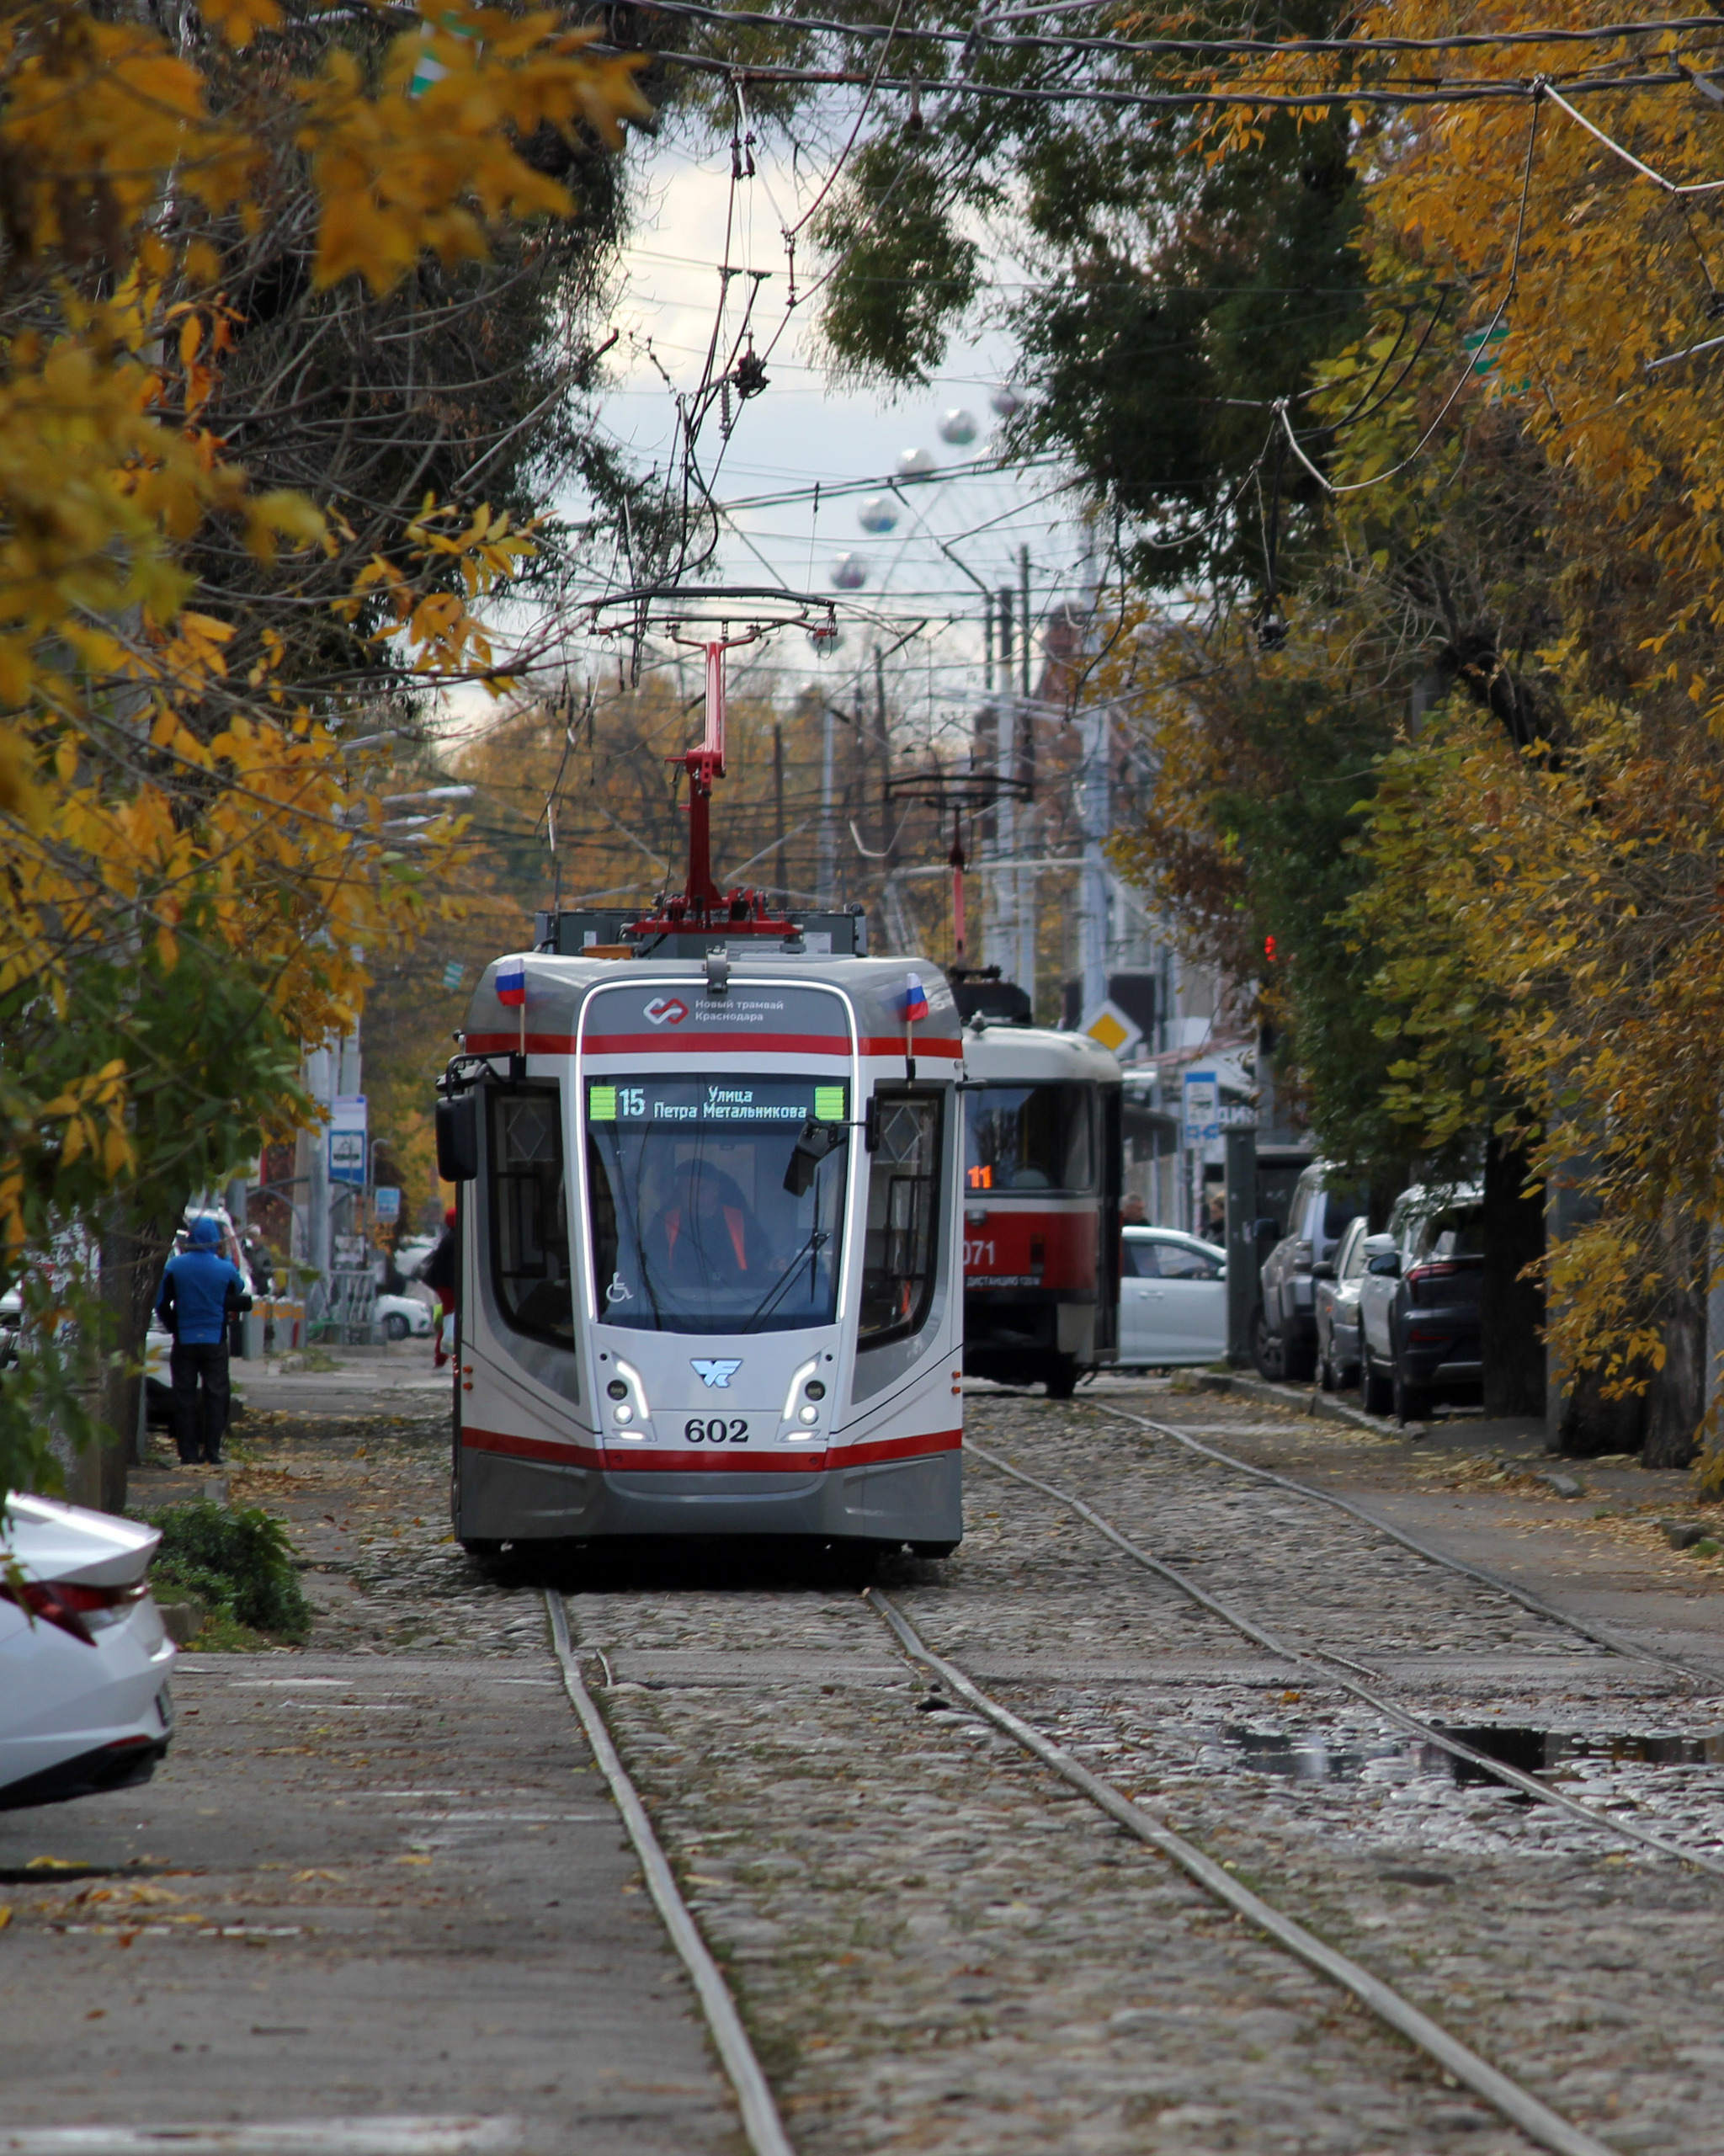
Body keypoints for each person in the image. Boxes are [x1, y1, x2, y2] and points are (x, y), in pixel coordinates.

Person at [155, 1216, 252, 1467]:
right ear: (214, 1240)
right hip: (215, 1339)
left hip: (185, 1338)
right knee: (216, 1396)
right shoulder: (224, 1269)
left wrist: (174, 1326)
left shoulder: (176, 1267)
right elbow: (239, 1287)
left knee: (184, 1397)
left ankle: (187, 1453)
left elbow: (161, 1302)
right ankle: (212, 1451)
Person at [645, 1161, 775, 1301]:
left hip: (740, 1299)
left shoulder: (741, 1220)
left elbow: (763, 1260)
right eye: (686, 1188)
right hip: (677, 1302)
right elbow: (652, 1265)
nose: (692, 1194)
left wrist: (771, 1266)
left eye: (701, 1189)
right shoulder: (666, 1220)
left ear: (716, 1190)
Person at [422, 1206, 458, 1368]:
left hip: (445, 1287)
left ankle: (442, 1356)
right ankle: (442, 1356)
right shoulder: (456, 1241)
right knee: (450, 1321)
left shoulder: (448, 1239)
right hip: (450, 1288)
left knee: (449, 1320)